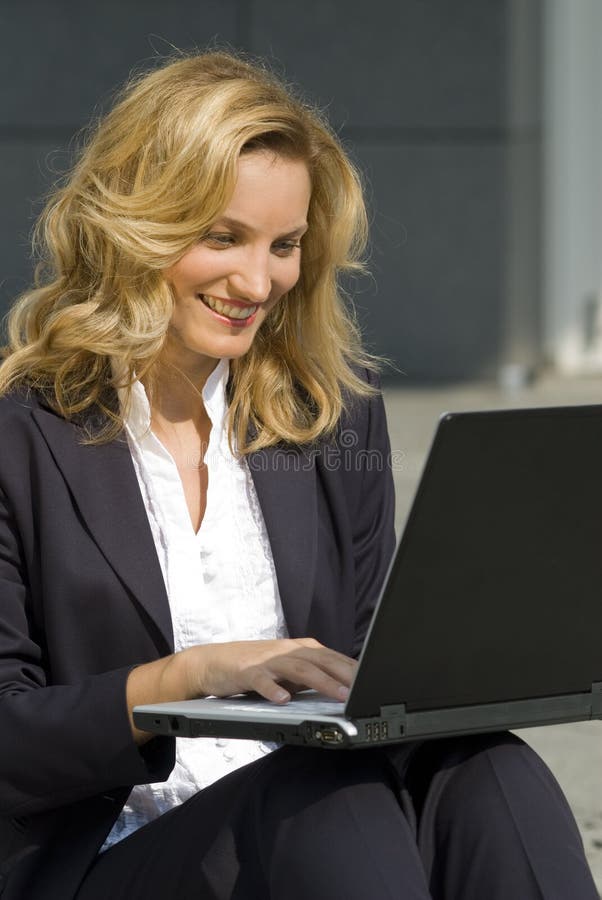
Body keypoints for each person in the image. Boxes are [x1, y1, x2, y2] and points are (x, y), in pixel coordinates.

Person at [0, 50, 597, 900]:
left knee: (493, 772)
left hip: (320, 826)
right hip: (111, 855)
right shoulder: (21, 435)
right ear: (139, 227)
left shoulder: (328, 419)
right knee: (323, 800)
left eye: (285, 246)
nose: (258, 281)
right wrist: (185, 677)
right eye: (222, 238)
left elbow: (370, 670)